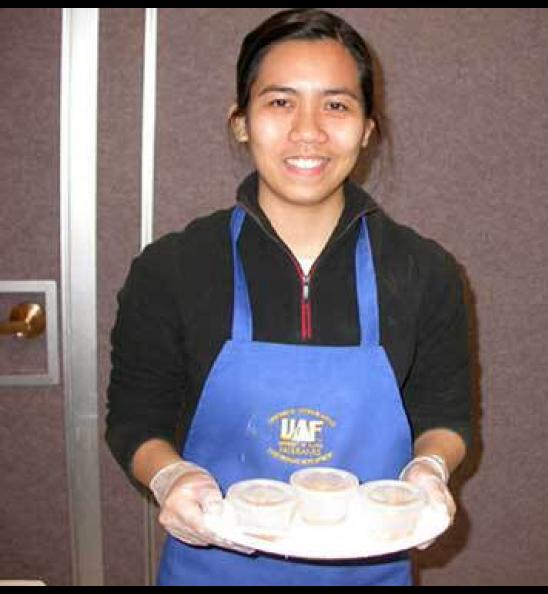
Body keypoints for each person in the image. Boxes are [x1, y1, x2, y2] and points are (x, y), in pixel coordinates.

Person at [106, 8, 471, 586]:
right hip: (212, 570)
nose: (308, 130)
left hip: (369, 573)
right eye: (280, 102)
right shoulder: (172, 268)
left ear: (368, 129)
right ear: (242, 122)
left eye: (336, 104)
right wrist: (168, 477)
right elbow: (134, 420)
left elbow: (446, 413)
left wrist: (431, 468)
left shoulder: (424, 271)